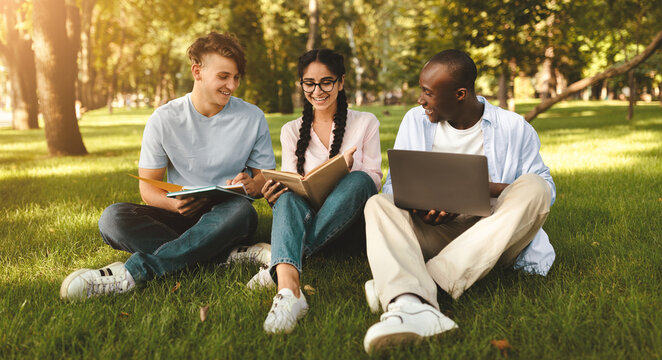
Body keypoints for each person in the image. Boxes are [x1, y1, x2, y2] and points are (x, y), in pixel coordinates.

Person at [361, 50, 556, 352]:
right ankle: (412, 306)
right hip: (435, 231)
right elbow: (392, 186)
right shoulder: (415, 121)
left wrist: (482, 189)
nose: (420, 100)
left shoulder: (514, 127)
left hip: (492, 234)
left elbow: (546, 192)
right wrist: (419, 206)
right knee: (378, 204)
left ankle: (419, 289)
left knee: (535, 186)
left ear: (460, 94)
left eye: (427, 92)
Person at [59, 32, 276, 300]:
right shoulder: (163, 119)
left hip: (227, 214)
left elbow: (264, 178)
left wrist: (251, 184)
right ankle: (224, 255)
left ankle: (130, 275)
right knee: (112, 219)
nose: (231, 85)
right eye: (223, 76)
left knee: (242, 211)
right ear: (197, 71)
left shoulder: (252, 117)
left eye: (236, 77)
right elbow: (147, 189)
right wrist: (175, 205)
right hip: (179, 216)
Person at [251, 49, 382, 334]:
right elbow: (290, 180)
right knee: (286, 195)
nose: (317, 90)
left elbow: (373, 184)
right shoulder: (291, 130)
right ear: (302, 85)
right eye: (309, 83)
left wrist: (342, 172)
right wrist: (276, 193)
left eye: (326, 82)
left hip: (351, 226)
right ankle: (288, 292)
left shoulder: (366, 123)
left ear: (341, 82)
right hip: (309, 217)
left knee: (360, 180)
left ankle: (281, 262)